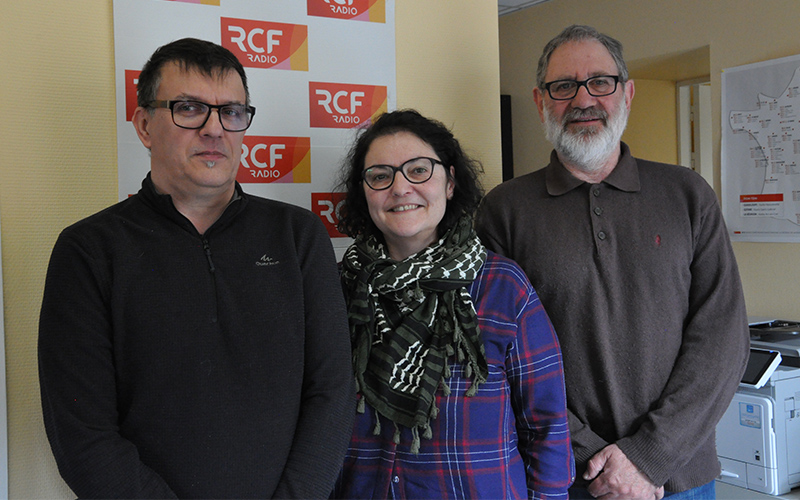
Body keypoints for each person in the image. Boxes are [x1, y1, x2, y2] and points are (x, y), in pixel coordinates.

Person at [38, 38, 354, 499]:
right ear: (145, 125)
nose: (214, 130)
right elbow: (81, 433)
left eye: (231, 112)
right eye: (189, 109)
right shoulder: (89, 250)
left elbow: (332, 392)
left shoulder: (298, 235)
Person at [476, 25, 750, 500]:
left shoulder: (687, 194)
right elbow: (498, 355)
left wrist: (648, 457)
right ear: (542, 102)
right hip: (563, 474)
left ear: (627, 93)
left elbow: (723, 339)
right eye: (564, 87)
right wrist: (595, 461)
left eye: (600, 81)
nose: (584, 99)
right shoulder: (504, 210)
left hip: (678, 474)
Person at [330, 109, 574, 499]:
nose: (400, 187)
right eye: (380, 175)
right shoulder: (334, 286)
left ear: (450, 182)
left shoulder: (502, 286)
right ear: (364, 192)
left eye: (419, 170)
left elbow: (546, 425)